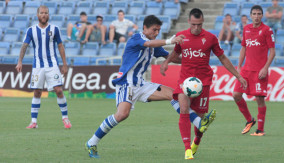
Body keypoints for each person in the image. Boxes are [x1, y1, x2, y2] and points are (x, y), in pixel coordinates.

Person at [84, 15, 188, 159]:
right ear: (144, 28)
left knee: (174, 94)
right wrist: (170, 40)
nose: (156, 33)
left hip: (141, 84)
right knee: (122, 115)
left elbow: (170, 57)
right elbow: (148, 44)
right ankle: (91, 142)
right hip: (126, 83)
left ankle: (195, 121)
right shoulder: (136, 38)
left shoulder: (153, 43)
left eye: (158, 30)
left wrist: (191, 60)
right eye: (154, 30)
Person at [160, 8, 247, 160]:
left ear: (203, 22)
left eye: (199, 24)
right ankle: (187, 149)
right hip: (185, 81)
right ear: (189, 22)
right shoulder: (182, 37)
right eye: (194, 24)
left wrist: (238, 76)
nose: (196, 28)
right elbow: (176, 53)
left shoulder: (211, 38)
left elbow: (223, 59)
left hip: (203, 83)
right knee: (184, 109)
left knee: (200, 122)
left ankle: (197, 141)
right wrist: (166, 62)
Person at [15, 5, 72, 129]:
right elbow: (24, 45)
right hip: (38, 67)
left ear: (48, 14)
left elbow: (60, 46)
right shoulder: (31, 30)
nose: (44, 15)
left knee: (58, 90)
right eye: (41, 13)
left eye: (46, 12)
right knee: (37, 92)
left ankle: (65, 118)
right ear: (37, 15)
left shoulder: (55, 29)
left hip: (52, 65)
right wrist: (20, 61)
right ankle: (34, 122)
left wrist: (65, 64)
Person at [233, 5, 275, 136]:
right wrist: (239, 66)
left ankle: (260, 129)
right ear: (251, 16)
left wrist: (265, 68)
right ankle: (249, 119)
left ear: (262, 16)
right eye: (254, 14)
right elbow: (244, 48)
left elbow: (272, 52)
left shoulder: (267, 30)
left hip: (259, 71)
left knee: (259, 99)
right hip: (246, 70)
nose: (256, 16)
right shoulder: (246, 29)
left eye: (259, 14)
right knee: (236, 95)